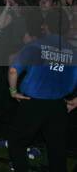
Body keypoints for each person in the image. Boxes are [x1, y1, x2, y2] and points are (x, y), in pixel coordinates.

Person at [7, 15, 77, 172]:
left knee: (16, 141)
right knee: (57, 149)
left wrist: (13, 91)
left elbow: (13, 70)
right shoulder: (73, 51)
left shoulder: (35, 45)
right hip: (58, 105)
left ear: (46, 26)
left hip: (33, 102)